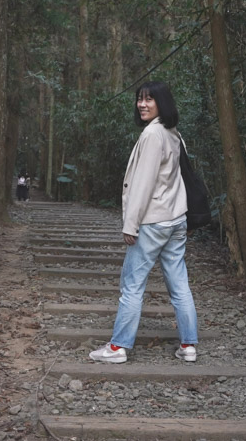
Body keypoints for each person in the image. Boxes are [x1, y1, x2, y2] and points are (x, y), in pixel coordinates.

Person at [88, 81, 198, 364]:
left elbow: (144, 183)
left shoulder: (152, 135)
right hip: (176, 220)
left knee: (132, 285)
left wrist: (130, 223)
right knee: (179, 284)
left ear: (163, 103)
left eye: (150, 99)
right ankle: (188, 345)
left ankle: (118, 348)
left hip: (153, 221)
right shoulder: (173, 133)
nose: (142, 104)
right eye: (140, 99)